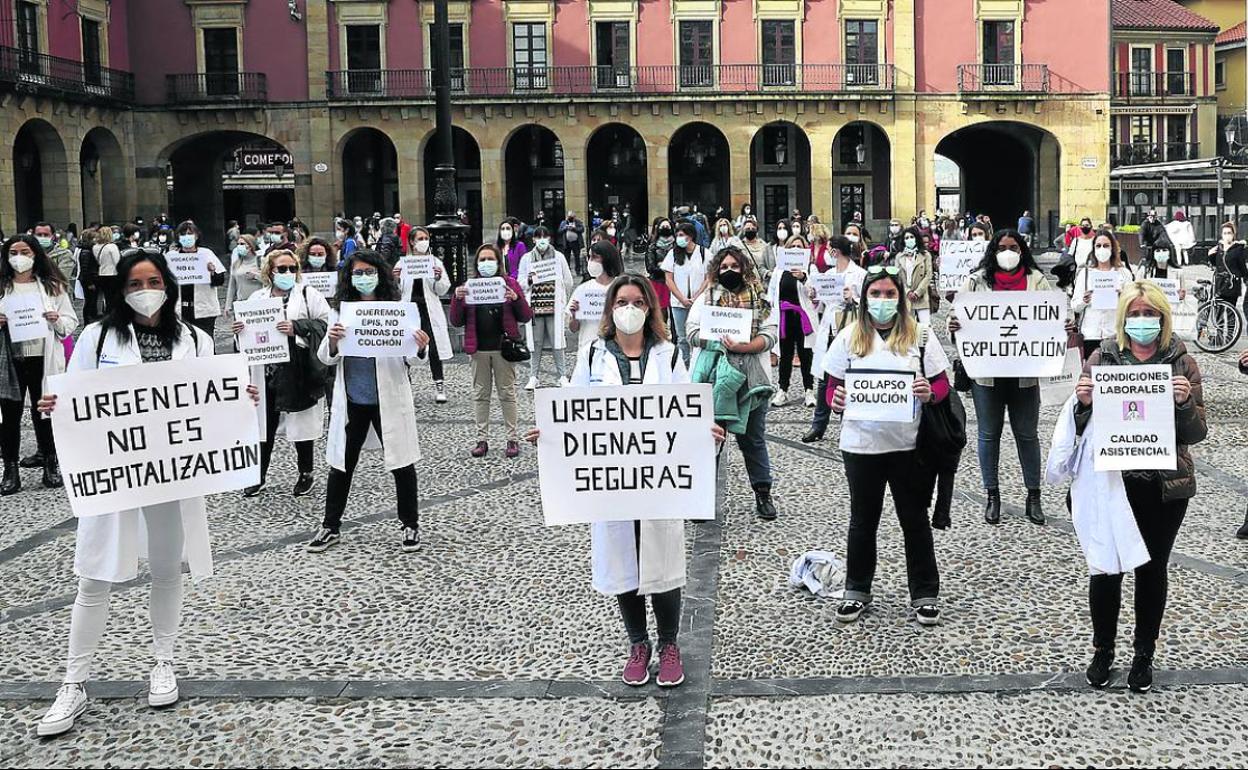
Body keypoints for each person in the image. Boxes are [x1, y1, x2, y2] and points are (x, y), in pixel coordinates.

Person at [35, 249, 254, 737]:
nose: (144, 289)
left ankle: (163, 661)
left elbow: (208, 402)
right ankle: (73, 683)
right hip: (114, 473)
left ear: (169, 284)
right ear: (121, 290)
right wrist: (57, 403)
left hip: (173, 475)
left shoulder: (196, 339)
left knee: (165, 568)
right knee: (93, 576)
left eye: (152, 280)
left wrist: (239, 398)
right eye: (134, 283)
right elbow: (76, 396)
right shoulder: (96, 336)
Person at [526, 275, 726, 688]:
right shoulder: (594, 354)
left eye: (637, 301)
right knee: (625, 563)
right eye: (621, 302)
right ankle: (638, 643)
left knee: (664, 561)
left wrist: (706, 432)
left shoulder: (669, 355)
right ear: (610, 309)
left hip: (659, 482)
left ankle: (669, 644)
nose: (629, 309)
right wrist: (548, 434)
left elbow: (686, 410)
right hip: (613, 484)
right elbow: (575, 410)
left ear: (650, 308)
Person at [1073, 282, 1206, 693]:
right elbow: (1078, 428)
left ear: (1163, 318)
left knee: (1151, 569)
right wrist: (1082, 403)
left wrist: (1184, 404)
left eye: (1151, 314)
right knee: (1106, 569)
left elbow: (1197, 432)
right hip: (1113, 483)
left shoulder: (1182, 361)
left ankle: (1144, 652)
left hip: (1164, 486)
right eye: (1136, 313)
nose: (1143, 321)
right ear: (1123, 316)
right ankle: (1103, 649)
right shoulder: (1105, 356)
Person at [825, 264, 950, 625]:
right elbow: (831, 386)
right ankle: (857, 589)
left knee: (914, 520)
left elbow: (943, 384)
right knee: (863, 521)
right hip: (861, 446)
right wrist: (836, 400)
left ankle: (925, 592)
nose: (882, 300)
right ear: (864, 298)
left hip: (908, 445)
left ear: (901, 297)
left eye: (889, 293)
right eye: (876, 294)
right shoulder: (849, 337)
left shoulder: (920, 336)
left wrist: (930, 393)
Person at [304, 249, 430, 554]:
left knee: (402, 462)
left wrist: (421, 347)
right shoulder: (341, 311)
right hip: (353, 400)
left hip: (387, 399)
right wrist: (333, 341)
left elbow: (413, 359)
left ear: (380, 275)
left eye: (368, 272)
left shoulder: (396, 310)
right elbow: (325, 358)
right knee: (341, 464)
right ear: (349, 278)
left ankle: (409, 524)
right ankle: (330, 526)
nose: (363, 278)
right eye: (357, 273)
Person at [947, 230, 1049, 526]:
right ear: (993, 250)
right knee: (988, 435)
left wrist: (1061, 330)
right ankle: (992, 495)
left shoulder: (1036, 280)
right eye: (1002, 247)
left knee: (1028, 435)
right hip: (987, 375)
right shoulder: (976, 281)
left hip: (1024, 374)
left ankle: (1034, 496)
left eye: (1013, 247)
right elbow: (959, 323)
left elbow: (1052, 320)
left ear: (1022, 250)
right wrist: (955, 326)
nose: (1008, 252)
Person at [687, 246, 780, 521]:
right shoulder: (707, 298)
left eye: (734, 266)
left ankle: (763, 493)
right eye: (724, 266)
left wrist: (747, 345)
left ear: (744, 269)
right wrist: (716, 341)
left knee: (753, 439)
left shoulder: (759, 299)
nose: (729, 271)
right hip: (715, 379)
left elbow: (771, 333)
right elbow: (691, 332)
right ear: (717, 269)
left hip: (751, 378)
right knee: (710, 439)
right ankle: (701, 499)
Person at [231, 249, 330, 499]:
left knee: (301, 424)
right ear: (270, 271)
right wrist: (239, 330)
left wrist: (296, 327)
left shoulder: (308, 295)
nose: (287, 273)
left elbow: (326, 324)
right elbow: (245, 337)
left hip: (297, 367)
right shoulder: (257, 297)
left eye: (292, 269)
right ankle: (258, 475)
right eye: (281, 269)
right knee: (263, 425)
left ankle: (305, 473)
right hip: (266, 369)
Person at [0, 235, 77, 493]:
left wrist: (56, 319)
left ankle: (50, 463)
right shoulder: (2, 286)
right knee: (9, 415)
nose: (19, 258)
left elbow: (69, 324)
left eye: (25, 252)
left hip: (42, 357)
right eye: (13, 252)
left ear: (35, 255)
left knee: (44, 412)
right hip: (10, 360)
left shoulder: (53, 286)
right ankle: (10, 469)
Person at [449, 244, 533, 458]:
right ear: (477, 264)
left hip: (503, 348)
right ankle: (482, 439)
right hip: (478, 349)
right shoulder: (469, 286)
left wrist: (516, 298)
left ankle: (512, 439)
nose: (486, 263)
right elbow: (456, 321)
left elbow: (525, 315)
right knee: (480, 394)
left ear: (498, 262)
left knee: (507, 393)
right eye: (482, 260)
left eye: (490, 259)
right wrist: (457, 299)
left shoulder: (510, 284)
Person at [804, 235, 867, 443]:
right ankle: (818, 425)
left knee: (847, 377)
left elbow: (868, 304)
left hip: (849, 330)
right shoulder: (829, 274)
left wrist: (853, 298)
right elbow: (820, 305)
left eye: (829, 249)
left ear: (835, 251)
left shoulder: (859, 274)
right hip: (829, 330)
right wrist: (814, 294)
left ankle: (847, 423)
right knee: (825, 377)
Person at [398, 227, 453, 404]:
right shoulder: (403, 264)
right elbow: (396, 292)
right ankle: (405, 384)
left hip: (428, 310)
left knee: (434, 347)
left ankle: (439, 385)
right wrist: (394, 279)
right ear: (412, 242)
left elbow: (442, 289)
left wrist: (438, 278)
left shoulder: (434, 262)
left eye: (426, 238)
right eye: (420, 238)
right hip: (409, 310)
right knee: (404, 347)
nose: (424, 241)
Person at [517, 225, 575, 390]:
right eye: (538, 237)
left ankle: (562, 375)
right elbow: (520, 281)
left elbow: (568, 280)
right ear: (534, 239)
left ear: (549, 238)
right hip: (535, 307)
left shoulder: (558, 257)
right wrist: (528, 280)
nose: (541, 240)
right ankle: (533, 376)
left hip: (553, 305)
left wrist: (563, 299)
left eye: (544, 236)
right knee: (535, 342)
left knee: (558, 340)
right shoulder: (527, 259)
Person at [1071, 230, 1136, 361]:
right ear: (1093, 249)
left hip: (1115, 335)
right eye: (1098, 246)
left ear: (1113, 248)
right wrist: (1084, 300)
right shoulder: (1085, 274)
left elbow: (1133, 306)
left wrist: (1122, 296)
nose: (1102, 249)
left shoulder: (1123, 274)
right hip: (1090, 334)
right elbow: (1075, 306)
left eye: (1106, 245)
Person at [769, 234, 817, 408]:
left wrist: (804, 278)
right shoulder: (779, 270)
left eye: (800, 246)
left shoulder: (810, 269)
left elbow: (814, 293)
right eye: (793, 246)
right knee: (785, 354)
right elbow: (772, 293)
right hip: (784, 317)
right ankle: (782, 390)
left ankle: (809, 390)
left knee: (806, 355)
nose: (796, 249)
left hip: (802, 317)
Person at [662, 222, 709, 366]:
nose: (679, 238)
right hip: (678, 303)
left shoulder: (704, 253)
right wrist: (682, 298)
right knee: (682, 338)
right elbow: (668, 279)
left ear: (690, 236)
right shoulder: (673, 254)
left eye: (682, 235)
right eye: (677, 235)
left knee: (699, 336)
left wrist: (697, 297)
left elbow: (709, 277)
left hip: (699, 303)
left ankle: (698, 366)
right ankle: (684, 366)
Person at [568, 240, 626, 353]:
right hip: (587, 348)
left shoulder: (620, 288)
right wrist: (574, 316)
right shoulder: (583, 289)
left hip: (614, 349)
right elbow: (573, 328)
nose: (591, 261)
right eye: (589, 257)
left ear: (607, 259)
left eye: (595, 257)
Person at [171, 221, 226, 339]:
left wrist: (212, 272)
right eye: (183, 235)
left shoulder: (206, 254)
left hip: (204, 310)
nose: (187, 237)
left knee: (206, 344)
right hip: (180, 310)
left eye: (190, 234)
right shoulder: (172, 256)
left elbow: (220, 280)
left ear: (196, 236)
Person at [1207, 222, 1247, 318]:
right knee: (1218, 312)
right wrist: (1210, 255)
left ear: (1233, 235)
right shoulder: (1218, 248)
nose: (1227, 236)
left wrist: (1246, 278)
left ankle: (1231, 333)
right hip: (1219, 283)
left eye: (1229, 233)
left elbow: (1242, 267)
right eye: (1224, 233)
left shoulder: (1238, 249)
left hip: (1232, 284)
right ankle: (1219, 332)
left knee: (1231, 313)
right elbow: (1214, 265)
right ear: (1221, 235)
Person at [896, 226, 933, 323]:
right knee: (908, 328)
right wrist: (907, 291)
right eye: (906, 238)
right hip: (906, 297)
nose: (909, 240)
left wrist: (917, 292)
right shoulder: (899, 256)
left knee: (925, 327)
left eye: (911, 237)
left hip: (921, 296)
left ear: (916, 238)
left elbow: (928, 275)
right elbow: (897, 277)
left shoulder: (925, 255)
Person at [645, 218, 675, 321]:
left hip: (675, 283)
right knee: (661, 313)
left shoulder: (676, 246)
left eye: (667, 226)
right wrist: (668, 267)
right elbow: (650, 267)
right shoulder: (653, 246)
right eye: (663, 226)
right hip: (658, 282)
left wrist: (662, 265)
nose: (665, 228)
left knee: (675, 312)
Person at [224, 235, 262, 314]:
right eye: (238, 244)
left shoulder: (260, 261)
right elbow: (232, 286)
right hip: (242, 303)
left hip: (259, 303)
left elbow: (269, 280)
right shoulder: (236, 264)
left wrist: (256, 276)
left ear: (250, 246)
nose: (239, 246)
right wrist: (228, 306)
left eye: (242, 244)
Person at [92, 225, 121, 315]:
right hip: (113, 274)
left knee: (107, 297)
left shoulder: (95, 247)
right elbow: (117, 261)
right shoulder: (112, 247)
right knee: (114, 298)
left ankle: (107, 314)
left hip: (102, 273)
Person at [559, 211, 586, 275]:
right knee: (567, 257)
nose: (571, 218)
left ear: (574, 217)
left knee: (577, 257)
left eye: (572, 217)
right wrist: (565, 228)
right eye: (569, 217)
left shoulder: (578, 222)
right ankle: (567, 271)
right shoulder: (564, 222)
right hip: (567, 243)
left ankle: (578, 271)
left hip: (576, 242)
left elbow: (582, 229)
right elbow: (559, 230)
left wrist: (574, 228)